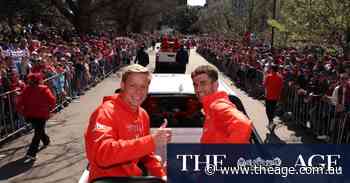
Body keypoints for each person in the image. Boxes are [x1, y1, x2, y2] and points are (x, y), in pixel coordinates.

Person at [84, 64, 171, 182]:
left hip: (133, 179)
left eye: (143, 87)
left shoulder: (143, 114)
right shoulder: (105, 112)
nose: (138, 92)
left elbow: (146, 154)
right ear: (122, 85)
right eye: (133, 85)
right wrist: (151, 141)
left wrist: (161, 175)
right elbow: (102, 154)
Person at [191, 65, 252, 144]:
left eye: (203, 83)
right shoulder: (210, 107)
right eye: (195, 84)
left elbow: (243, 124)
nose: (198, 89)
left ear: (215, 85)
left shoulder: (218, 106)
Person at [16, 73, 56, 162]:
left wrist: (22, 113)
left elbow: (19, 103)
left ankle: (46, 141)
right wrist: (51, 109)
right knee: (38, 133)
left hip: (30, 115)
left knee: (38, 130)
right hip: (41, 114)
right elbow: (52, 100)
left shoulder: (26, 89)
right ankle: (31, 153)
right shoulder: (43, 89)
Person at [263, 64, 283, 131]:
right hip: (276, 97)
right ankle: (270, 123)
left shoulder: (268, 76)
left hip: (268, 96)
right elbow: (281, 88)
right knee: (272, 110)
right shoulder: (280, 77)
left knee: (268, 110)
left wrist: (265, 76)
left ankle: (270, 122)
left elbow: (264, 85)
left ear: (272, 69)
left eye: (270, 68)